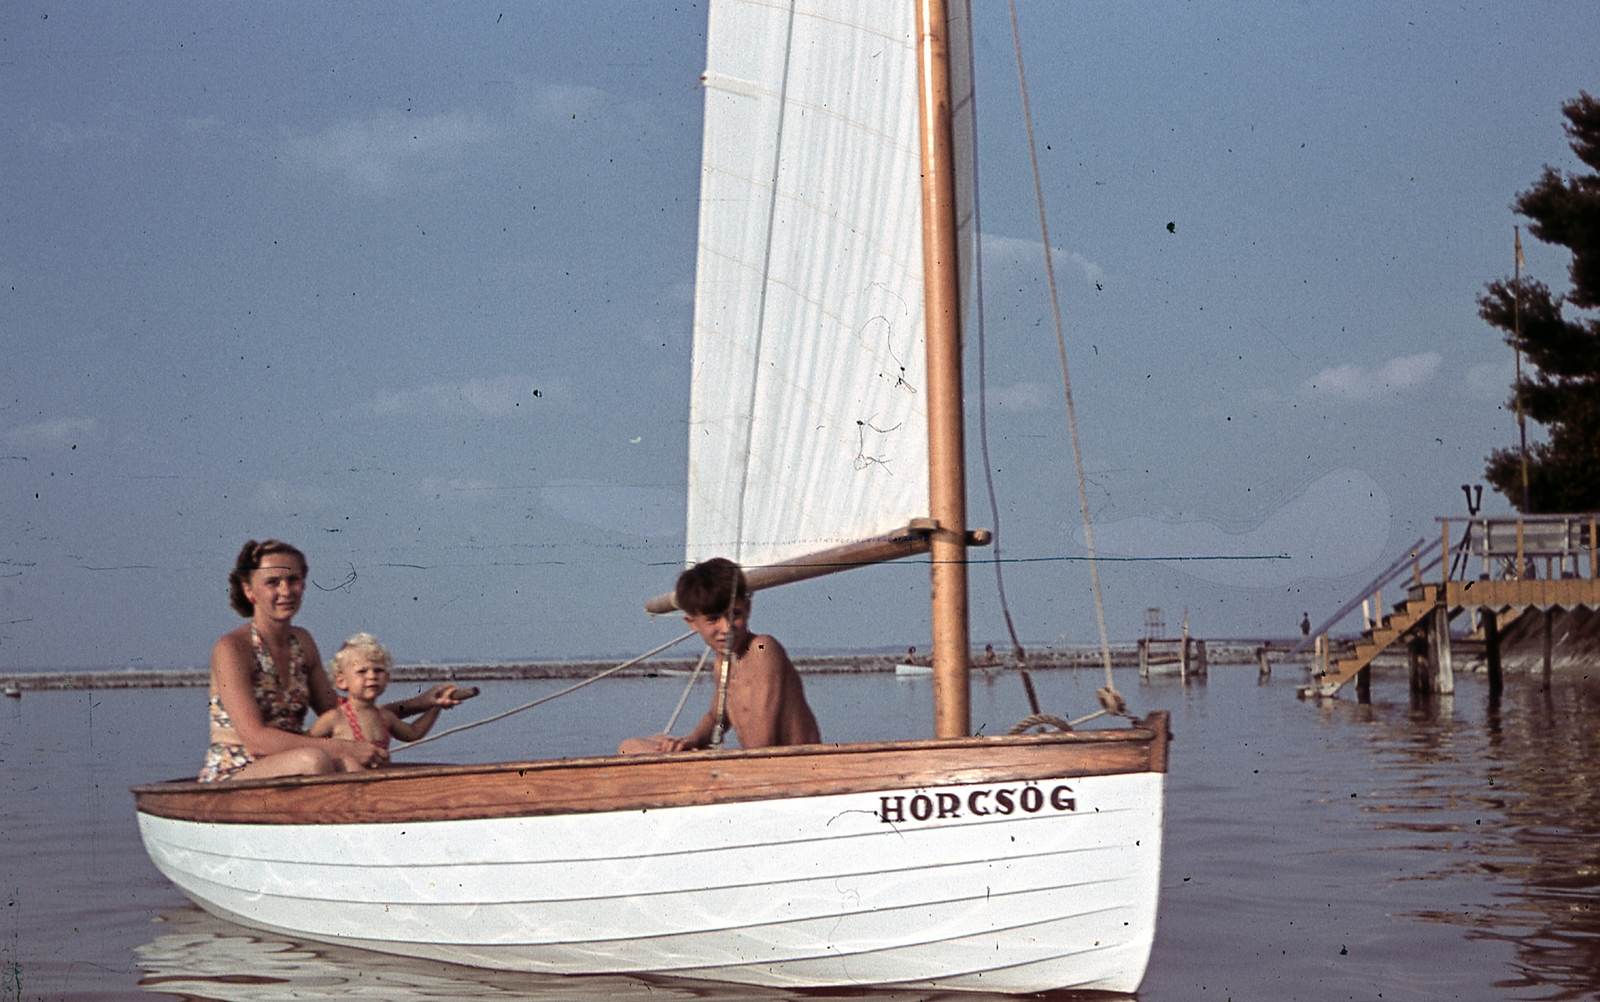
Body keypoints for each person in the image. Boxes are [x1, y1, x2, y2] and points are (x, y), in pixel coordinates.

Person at [199, 540, 465, 782]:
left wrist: (424, 702)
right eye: (273, 582)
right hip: (235, 772)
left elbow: (348, 714)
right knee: (316, 759)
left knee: (345, 762)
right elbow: (256, 740)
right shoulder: (231, 649)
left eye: (294, 580)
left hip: (294, 767)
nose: (286, 590)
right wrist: (344, 747)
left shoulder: (301, 642)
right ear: (249, 590)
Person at [618, 558, 819, 753]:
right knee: (640, 744)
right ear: (692, 623)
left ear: (747, 609)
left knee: (631, 747)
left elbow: (761, 746)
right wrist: (689, 741)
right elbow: (716, 718)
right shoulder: (722, 664)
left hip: (780, 768)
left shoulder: (762, 650)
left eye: (735, 615)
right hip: (754, 764)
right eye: (713, 620)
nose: (726, 628)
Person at [309, 633, 464, 752]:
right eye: (362, 671)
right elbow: (306, 742)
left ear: (387, 676)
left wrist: (436, 706)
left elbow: (413, 733)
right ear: (341, 680)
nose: (372, 676)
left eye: (378, 670)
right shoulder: (334, 718)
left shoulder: (384, 717)